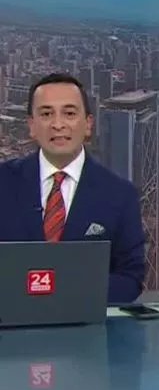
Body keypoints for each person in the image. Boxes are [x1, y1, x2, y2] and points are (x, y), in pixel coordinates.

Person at [0, 73, 146, 303]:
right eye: (46, 114)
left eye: (69, 113)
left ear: (88, 124)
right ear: (32, 126)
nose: (58, 125)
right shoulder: (4, 183)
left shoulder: (120, 195)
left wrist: (64, 292)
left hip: (87, 323)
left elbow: (130, 279)